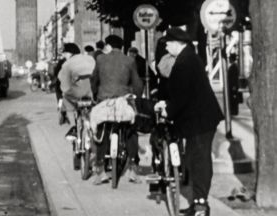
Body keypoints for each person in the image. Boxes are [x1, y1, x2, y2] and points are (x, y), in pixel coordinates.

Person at [155, 27, 224, 216]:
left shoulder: (185, 62)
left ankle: (201, 205)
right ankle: (198, 202)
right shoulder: (188, 58)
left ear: (178, 43)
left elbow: (182, 96)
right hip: (199, 118)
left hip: (200, 119)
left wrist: (167, 109)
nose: (166, 45)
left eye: (168, 42)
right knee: (195, 160)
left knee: (199, 161)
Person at [90, 34, 144, 185]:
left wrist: (95, 94)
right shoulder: (129, 60)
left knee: (102, 130)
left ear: (107, 46)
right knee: (131, 129)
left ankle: (100, 169)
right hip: (123, 100)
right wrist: (137, 98)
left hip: (104, 100)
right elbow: (137, 83)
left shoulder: (100, 59)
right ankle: (133, 167)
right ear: (122, 47)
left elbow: (94, 80)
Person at [57, 43, 96, 138]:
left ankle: (74, 127)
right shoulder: (89, 58)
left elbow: (62, 81)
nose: (64, 56)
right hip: (93, 90)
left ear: (70, 53)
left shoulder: (67, 63)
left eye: (65, 53)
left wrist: (64, 92)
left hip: (78, 92)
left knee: (66, 98)